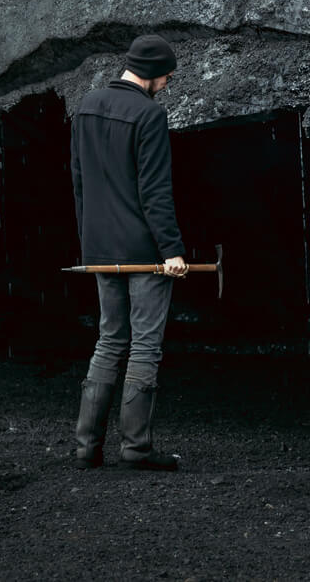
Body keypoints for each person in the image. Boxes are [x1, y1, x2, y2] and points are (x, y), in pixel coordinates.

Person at [70, 33, 187, 470]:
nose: (168, 84)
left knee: (109, 340)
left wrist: (89, 245)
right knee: (145, 345)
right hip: (144, 251)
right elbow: (155, 191)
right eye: (167, 77)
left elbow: (79, 183)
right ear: (153, 73)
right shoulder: (149, 115)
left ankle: (87, 447)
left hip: (100, 248)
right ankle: (136, 449)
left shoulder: (85, 106)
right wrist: (172, 250)